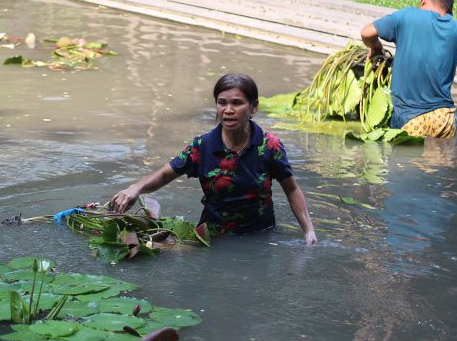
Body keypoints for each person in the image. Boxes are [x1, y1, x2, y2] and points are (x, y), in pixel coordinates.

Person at [110, 73, 317, 245]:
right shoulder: (202, 147)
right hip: (213, 238)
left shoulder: (269, 146)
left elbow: (291, 188)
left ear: (253, 107)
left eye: (237, 103)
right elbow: (165, 174)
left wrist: (309, 232)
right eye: (222, 103)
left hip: (261, 237)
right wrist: (135, 188)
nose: (228, 110)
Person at [361, 0, 457, 138]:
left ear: (423, 0)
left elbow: (366, 32)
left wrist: (376, 47)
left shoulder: (408, 16)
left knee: (402, 160)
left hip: (410, 118)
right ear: (449, 8)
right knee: (439, 159)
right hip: (444, 118)